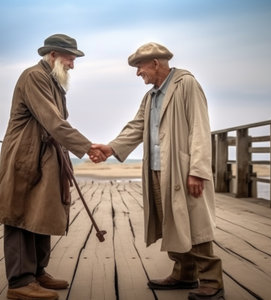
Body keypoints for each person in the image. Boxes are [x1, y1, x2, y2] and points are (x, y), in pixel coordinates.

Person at [91, 42, 224, 300]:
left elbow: (200, 128)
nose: (138, 73)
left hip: (182, 169)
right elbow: (136, 126)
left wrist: (197, 171)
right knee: (171, 221)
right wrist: (110, 148)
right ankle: (184, 273)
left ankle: (212, 281)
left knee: (195, 223)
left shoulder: (186, 84)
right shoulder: (151, 95)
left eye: (140, 66)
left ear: (155, 63)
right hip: (156, 168)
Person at [0, 33, 105, 300]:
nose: (72, 65)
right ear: (52, 55)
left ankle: (37, 273)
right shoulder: (34, 76)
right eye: (69, 59)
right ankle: (20, 282)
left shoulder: (51, 80)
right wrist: (87, 147)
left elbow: (55, 125)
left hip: (46, 156)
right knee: (20, 214)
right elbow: (53, 122)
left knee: (40, 213)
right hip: (25, 155)